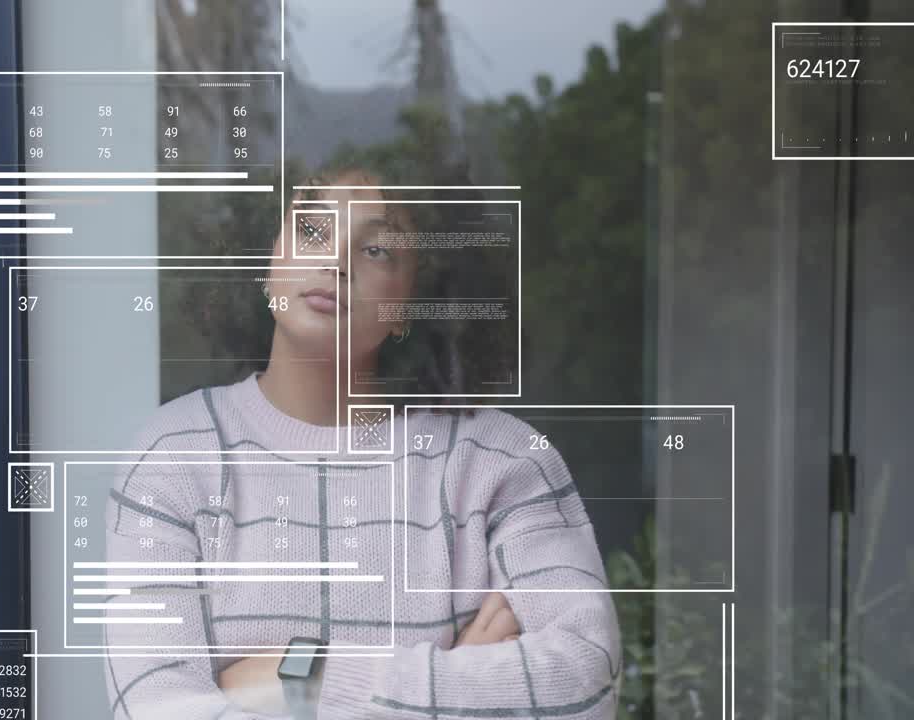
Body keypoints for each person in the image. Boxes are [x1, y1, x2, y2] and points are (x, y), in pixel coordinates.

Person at [101, 168, 621, 719]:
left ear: (408, 303)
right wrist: (452, 691)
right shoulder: (172, 458)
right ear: (269, 259)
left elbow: (585, 683)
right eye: (314, 232)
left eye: (374, 249)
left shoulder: (502, 459)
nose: (336, 263)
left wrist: (305, 680)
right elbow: (154, 708)